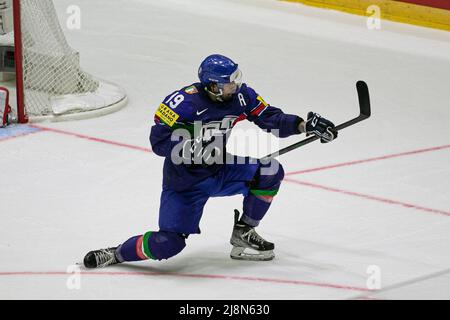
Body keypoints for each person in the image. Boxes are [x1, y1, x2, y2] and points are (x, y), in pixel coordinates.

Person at [83, 54, 338, 268]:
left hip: (221, 169)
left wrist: (305, 125)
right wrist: (190, 142)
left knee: (270, 172)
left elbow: (270, 118)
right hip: (185, 184)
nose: (236, 86)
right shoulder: (181, 103)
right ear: (213, 86)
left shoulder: (241, 96)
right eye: (229, 83)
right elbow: (158, 143)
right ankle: (116, 253)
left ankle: (244, 231)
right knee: (168, 244)